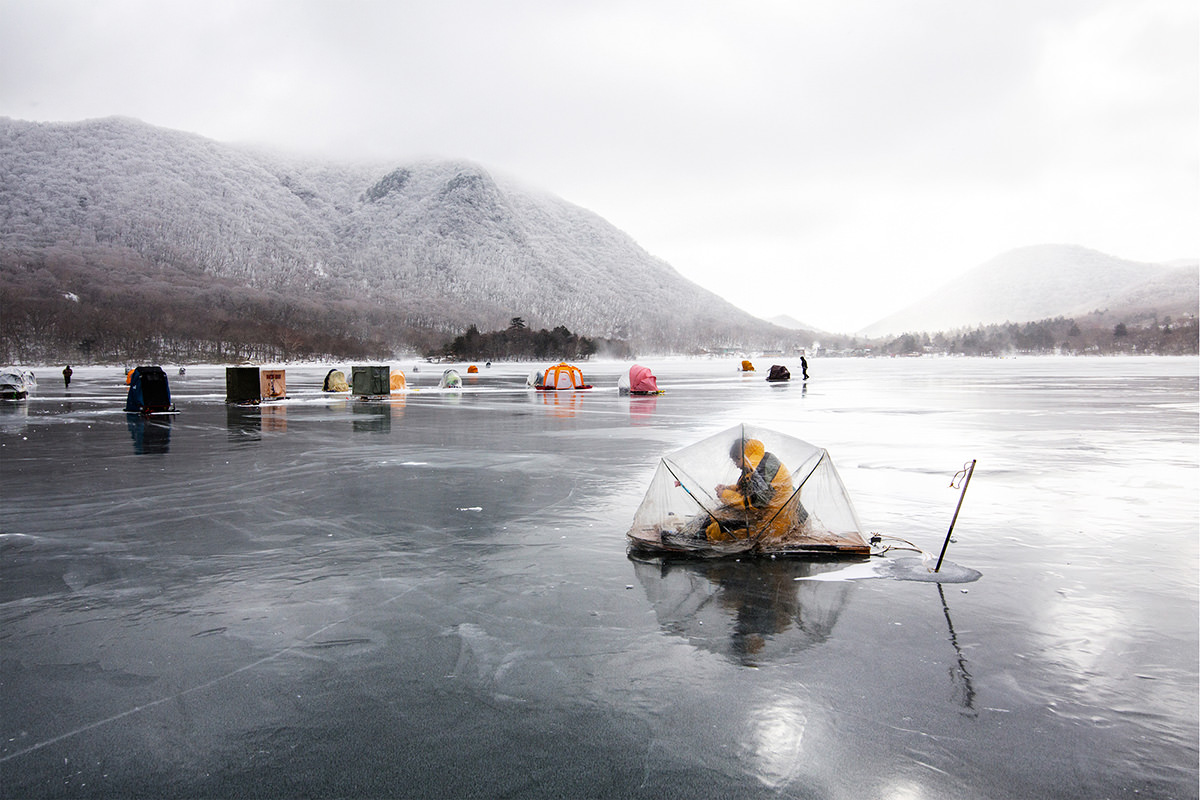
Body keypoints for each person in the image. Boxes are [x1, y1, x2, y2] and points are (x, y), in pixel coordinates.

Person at [703, 438, 802, 543]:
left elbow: (755, 503)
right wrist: (728, 489)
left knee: (715, 530)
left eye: (736, 460)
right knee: (713, 516)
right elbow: (747, 490)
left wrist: (725, 495)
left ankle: (695, 547)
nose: (736, 465)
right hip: (762, 516)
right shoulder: (758, 461)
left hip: (770, 525)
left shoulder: (759, 470)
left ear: (741, 455)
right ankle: (697, 535)